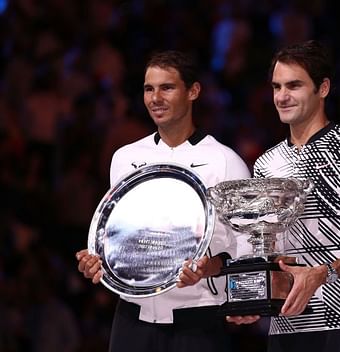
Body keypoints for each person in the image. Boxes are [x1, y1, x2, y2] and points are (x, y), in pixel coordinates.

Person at [228, 40, 340, 351]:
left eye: (294, 85)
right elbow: (268, 247)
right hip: (286, 324)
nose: (281, 96)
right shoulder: (266, 164)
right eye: (277, 86)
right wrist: (253, 295)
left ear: (322, 88)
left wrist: (324, 273)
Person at [75, 50, 250, 352]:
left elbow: (245, 250)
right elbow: (120, 237)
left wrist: (210, 269)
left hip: (198, 319)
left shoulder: (225, 161)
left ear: (193, 91)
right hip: (131, 318)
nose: (155, 98)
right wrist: (98, 261)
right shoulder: (125, 158)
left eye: (167, 87)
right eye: (148, 89)